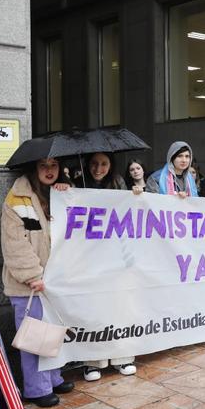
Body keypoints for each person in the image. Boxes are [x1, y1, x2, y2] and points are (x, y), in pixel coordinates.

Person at [1, 158, 74, 407]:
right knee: (34, 338)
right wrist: (33, 275)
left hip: (53, 283)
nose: (49, 170)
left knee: (52, 335)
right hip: (28, 285)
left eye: (54, 165)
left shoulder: (58, 194)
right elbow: (14, 244)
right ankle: (36, 388)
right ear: (34, 168)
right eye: (44, 165)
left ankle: (53, 378)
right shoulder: (17, 199)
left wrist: (68, 193)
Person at [74, 153, 137, 380]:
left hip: (117, 255)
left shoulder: (119, 183)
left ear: (111, 166)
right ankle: (93, 362)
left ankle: (123, 358)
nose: (98, 168)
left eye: (103, 164)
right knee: (94, 310)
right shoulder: (77, 185)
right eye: (94, 164)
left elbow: (131, 212)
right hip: (90, 259)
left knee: (120, 307)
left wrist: (137, 194)